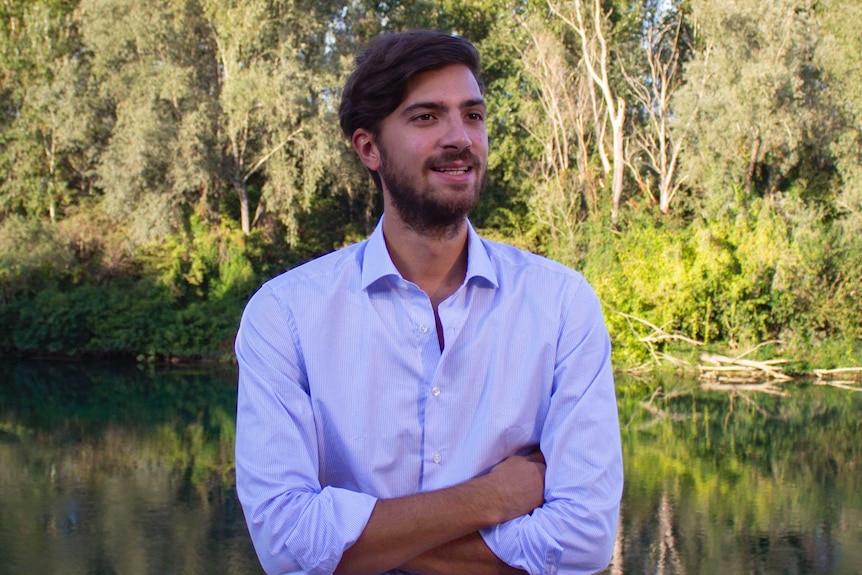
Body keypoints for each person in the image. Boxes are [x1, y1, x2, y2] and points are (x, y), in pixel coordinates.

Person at [235, 30, 623, 575]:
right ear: (368, 147)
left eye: (473, 115)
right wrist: (495, 497)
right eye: (426, 117)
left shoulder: (561, 306)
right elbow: (284, 541)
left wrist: (357, 544)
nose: (460, 137)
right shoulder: (285, 317)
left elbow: (584, 541)